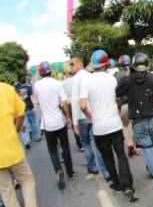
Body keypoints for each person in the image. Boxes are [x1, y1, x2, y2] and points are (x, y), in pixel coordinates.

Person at [81, 50, 136, 201]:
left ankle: (117, 184)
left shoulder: (87, 81)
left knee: (107, 157)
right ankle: (128, 185)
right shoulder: (111, 79)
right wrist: (116, 109)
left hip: (99, 128)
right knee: (121, 155)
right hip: (114, 124)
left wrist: (88, 115)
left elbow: (82, 104)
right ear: (106, 64)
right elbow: (117, 99)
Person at [116, 52, 153, 198]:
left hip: (140, 124)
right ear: (148, 65)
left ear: (133, 66)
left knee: (150, 154)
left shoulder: (127, 80)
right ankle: (151, 166)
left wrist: (129, 75)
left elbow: (117, 92)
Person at [0, 82, 48, 207]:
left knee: (6, 192)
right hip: (12, 148)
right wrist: (14, 131)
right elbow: (20, 114)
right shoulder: (5, 89)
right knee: (26, 180)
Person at [33, 61, 76, 189]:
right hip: (59, 120)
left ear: (41, 73)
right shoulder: (57, 84)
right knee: (65, 147)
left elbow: (38, 102)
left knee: (52, 151)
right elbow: (64, 102)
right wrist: (68, 117)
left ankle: (58, 171)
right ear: (51, 71)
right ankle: (70, 172)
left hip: (47, 124)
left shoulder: (36, 85)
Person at [69, 52, 110, 180]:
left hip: (82, 116)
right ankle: (105, 169)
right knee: (98, 143)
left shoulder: (75, 80)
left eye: (72, 64)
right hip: (93, 114)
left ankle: (93, 167)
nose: (70, 66)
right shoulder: (90, 76)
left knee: (86, 143)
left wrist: (74, 122)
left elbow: (76, 102)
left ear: (80, 63)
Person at [115, 54, 139, 157]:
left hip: (124, 104)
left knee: (125, 125)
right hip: (136, 103)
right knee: (134, 124)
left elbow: (116, 93)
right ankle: (136, 145)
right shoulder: (135, 73)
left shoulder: (117, 75)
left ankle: (130, 144)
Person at [15, 76, 42, 144]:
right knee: (34, 122)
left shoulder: (17, 90)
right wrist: (34, 106)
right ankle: (36, 137)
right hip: (30, 107)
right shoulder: (29, 87)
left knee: (24, 125)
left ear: (20, 82)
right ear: (25, 80)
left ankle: (26, 141)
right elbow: (32, 97)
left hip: (22, 110)